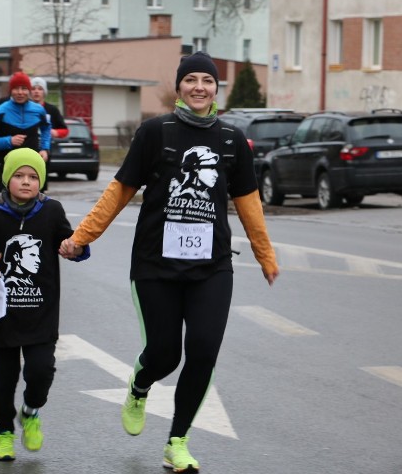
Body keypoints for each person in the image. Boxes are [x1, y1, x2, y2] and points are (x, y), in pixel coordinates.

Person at [58, 51, 279, 473]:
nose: (199, 87)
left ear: (217, 88)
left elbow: (249, 203)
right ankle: (140, 385)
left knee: (202, 351)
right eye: (191, 79)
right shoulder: (155, 133)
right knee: (163, 354)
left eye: (208, 81)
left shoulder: (232, 141)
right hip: (155, 265)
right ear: (178, 87)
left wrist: (265, 255)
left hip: (211, 267)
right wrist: (80, 237)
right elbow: (119, 192)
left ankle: (177, 441)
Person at [0, 148, 89, 462]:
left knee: (41, 370)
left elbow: (74, 244)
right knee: (1, 382)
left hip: (41, 314)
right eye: (19, 175)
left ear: (40, 181)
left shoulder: (51, 211)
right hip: (2, 315)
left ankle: (31, 412)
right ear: (7, 180)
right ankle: (4, 432)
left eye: (33, 177)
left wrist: (75, 248)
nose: (26, 182)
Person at [0, 72, 51, 196]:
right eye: (16, 88)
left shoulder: (38, 110)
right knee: (4, 212)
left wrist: (45, 148)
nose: (20, 92)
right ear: (10, 90)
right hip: (6, 170)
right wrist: (8, 141)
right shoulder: (0, 111)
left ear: (28, 90)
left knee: (32, 212)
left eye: (24, 88)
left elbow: (46, 128)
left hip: (32, 171)